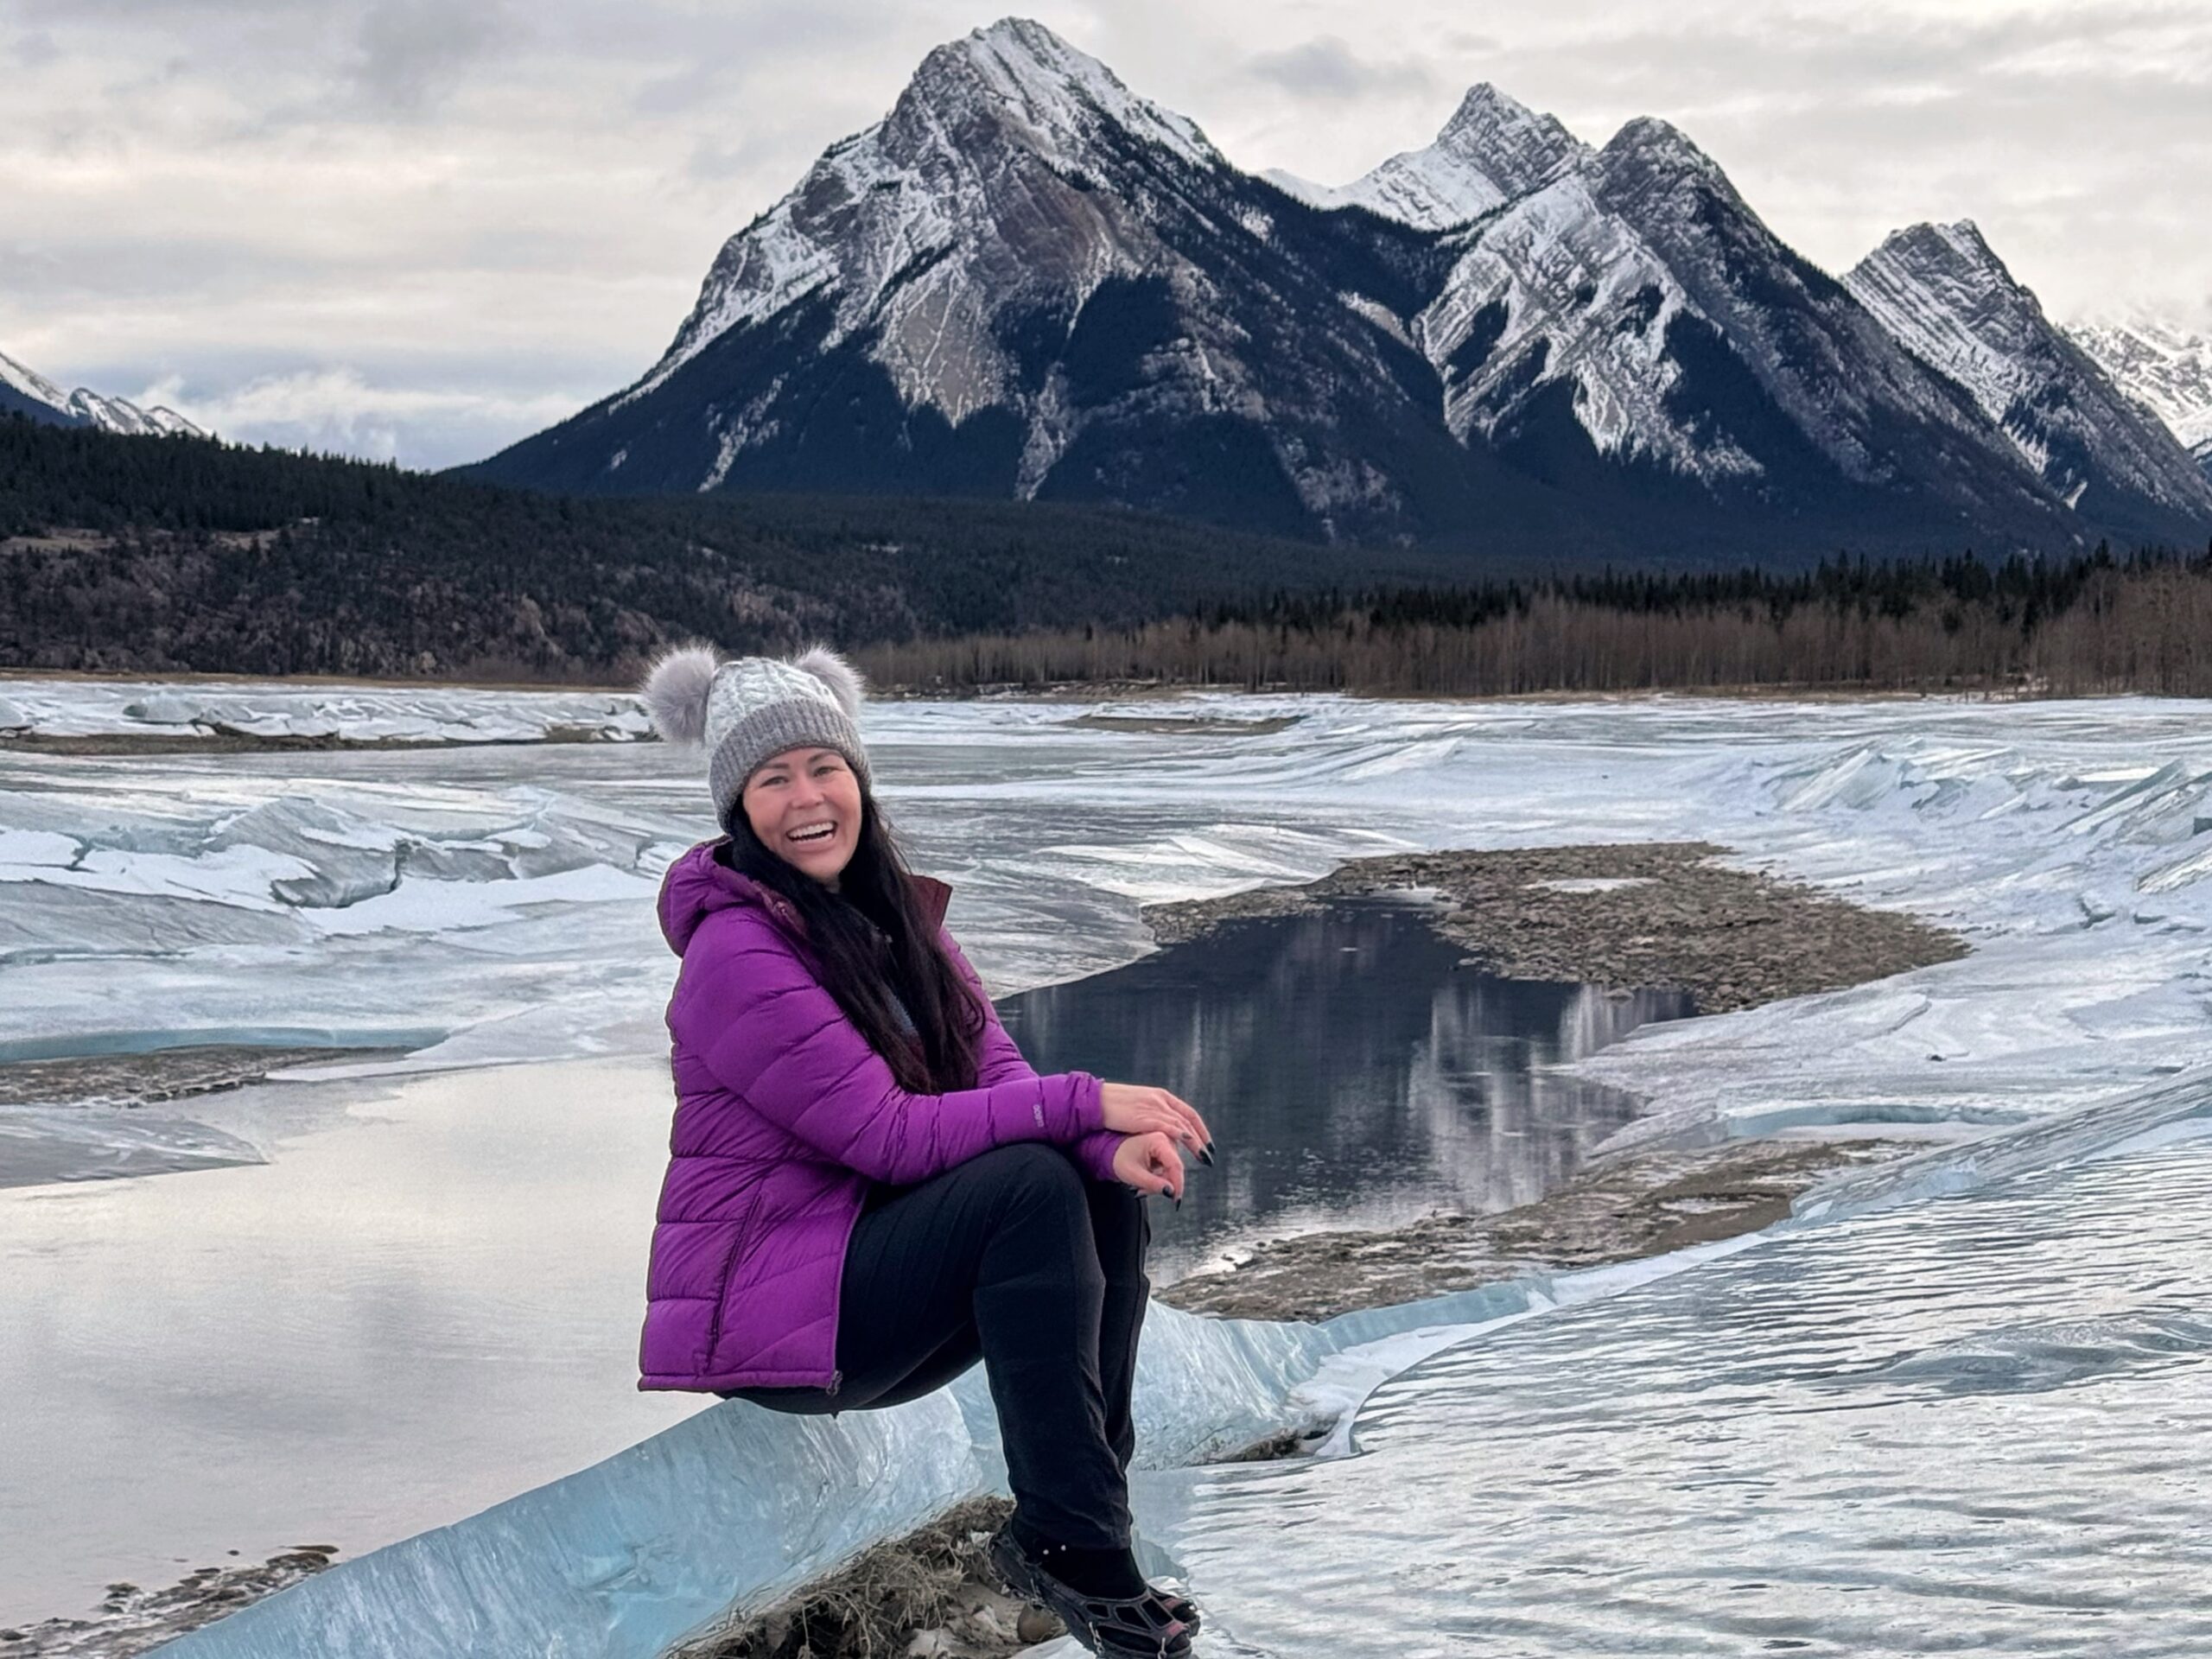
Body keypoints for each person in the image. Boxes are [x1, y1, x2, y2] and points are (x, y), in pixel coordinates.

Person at [637, 644, 1213, 1657]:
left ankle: (1081, 1528)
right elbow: (887, 1136)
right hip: (783, 1316)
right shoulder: (735, 955)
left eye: (825, 768)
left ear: (858, 780)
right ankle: (1074, 1547)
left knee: (1091, 1185)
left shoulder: (901, 924)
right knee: (1031, 1182)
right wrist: (1090, 1101)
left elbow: (998, 1083)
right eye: (772, 780)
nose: (807, 799)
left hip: (869, 1272)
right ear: (737, 809)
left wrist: (1101, 1145)